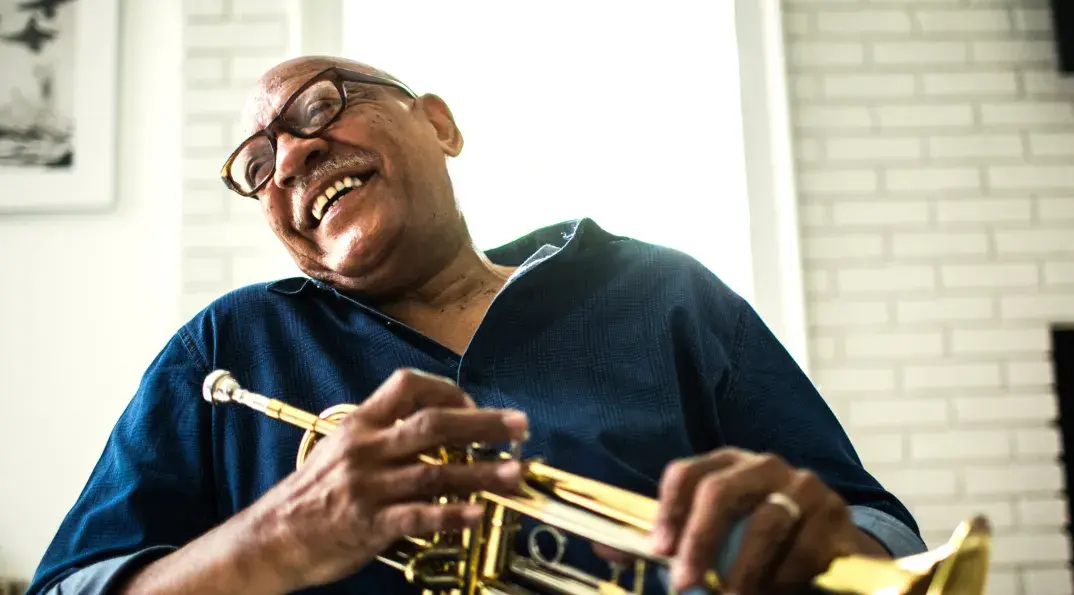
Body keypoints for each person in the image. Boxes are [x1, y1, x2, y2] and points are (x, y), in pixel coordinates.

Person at [26, 56, 926, 595]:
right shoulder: (225, 350)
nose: (291, 157)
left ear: (439, 124)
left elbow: (877, 534)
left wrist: (822, 545)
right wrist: (274, 537)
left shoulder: (664, 292)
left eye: (319, 107)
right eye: (256, 166)